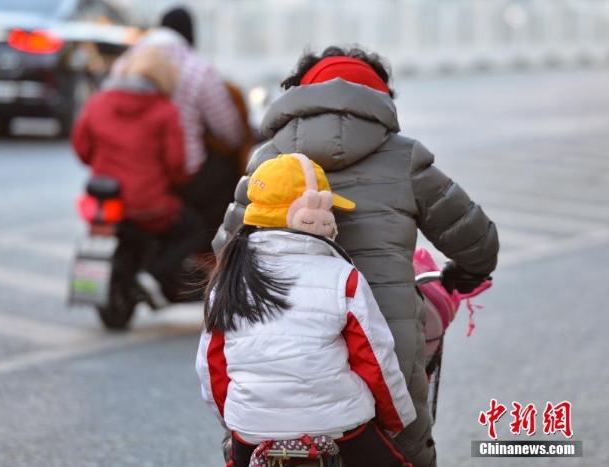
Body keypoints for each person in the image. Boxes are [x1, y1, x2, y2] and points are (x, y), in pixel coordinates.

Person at [213, 47, 500, 467]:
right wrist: (467, 272)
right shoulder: (405, 158)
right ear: (379, 100)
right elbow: (479, 242)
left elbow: (224, 256)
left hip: (268, 378)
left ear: (299, 94)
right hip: (389, 362)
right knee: (406, 452)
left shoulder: (266, 163)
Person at [197, 153, 416, 467]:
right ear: (314, 216)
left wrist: (234, 418)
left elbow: (211, 365)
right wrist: (396, 419)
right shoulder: (343, 278)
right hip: (338, 426)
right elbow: (375, 358)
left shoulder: (227, 279)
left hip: (252, 428)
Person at [71, 46, 212, 306]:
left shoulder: (98, 102)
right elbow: (177, 164)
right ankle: (154, 275)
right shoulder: (165, 110)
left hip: (106, 200)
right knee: (195, 229)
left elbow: (81, 148)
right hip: (149, 204)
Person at [112, 7, 246, 233]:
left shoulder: (122, 65)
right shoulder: (196, 71)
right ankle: (211, 248)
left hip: (122, 170)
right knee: (229, 176)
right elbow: (229, 131)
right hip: (175, 179)